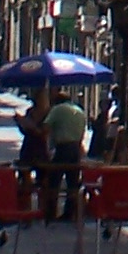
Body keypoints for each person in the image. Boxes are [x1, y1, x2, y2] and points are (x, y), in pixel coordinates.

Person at [43, 92, 87, 224]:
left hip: (63, 147)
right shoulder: (80, 111)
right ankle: (69, 212)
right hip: (76, 148)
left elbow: (45, 127)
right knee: (73, 182)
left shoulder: (57, 109)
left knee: (54, 180)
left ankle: (51, 212)